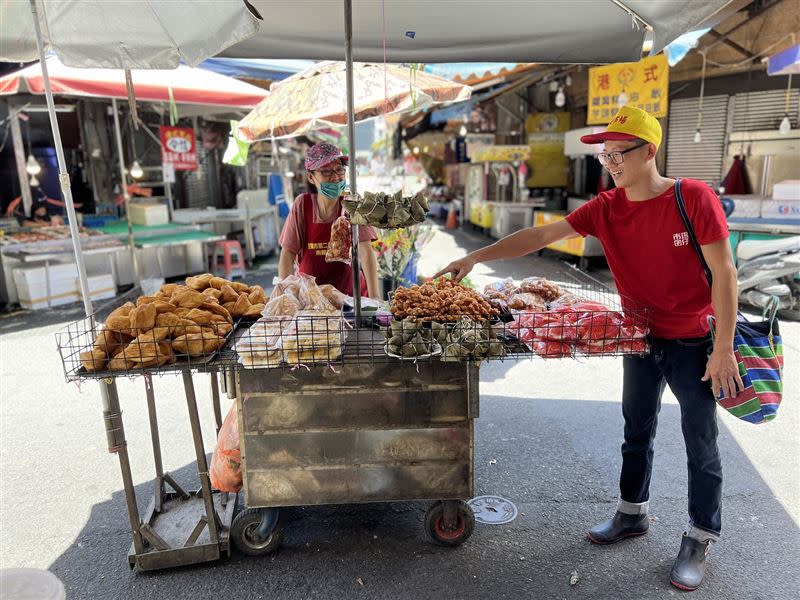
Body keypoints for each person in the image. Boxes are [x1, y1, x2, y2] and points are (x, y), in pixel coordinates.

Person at [435, 106, 739, 592]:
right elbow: (540, 235)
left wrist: (722, 347)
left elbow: (724, 272)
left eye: (620, 153)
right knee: (635, 429)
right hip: (637, 335)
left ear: (649, 152)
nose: (611, 162)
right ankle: (631, 513)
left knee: (700, 441)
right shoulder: (605, 207)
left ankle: (700, 536)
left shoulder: (693, 198)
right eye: (605, 155)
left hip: (692, 341)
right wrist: (474, 256)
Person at [278, 142, 380, 298]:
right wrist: (288, 298)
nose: (335, 177)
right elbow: (287, 256)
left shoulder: (352, 203)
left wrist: (375, 299)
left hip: (350, 298)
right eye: (326, 171)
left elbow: (366, 252)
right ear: (311, 177)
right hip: (311, 301)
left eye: (339, 169)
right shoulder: (302, 205)